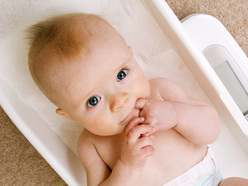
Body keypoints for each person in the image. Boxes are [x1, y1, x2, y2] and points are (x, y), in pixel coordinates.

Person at [27, 13, 248, 186]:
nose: (119, 102)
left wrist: (176, 114)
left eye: (121, 75)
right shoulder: (91, 144)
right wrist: (127, 167)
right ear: (69, 114)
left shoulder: (160, 91)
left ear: (133, 57)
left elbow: (212, 129)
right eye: (93, 101)